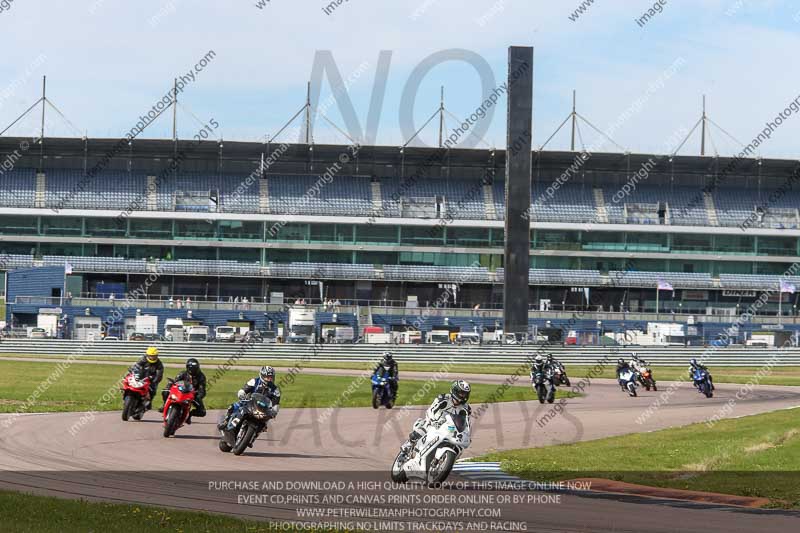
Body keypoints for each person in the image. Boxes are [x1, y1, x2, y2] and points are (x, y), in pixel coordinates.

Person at [401, 380, 471, 455]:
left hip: (450, 429)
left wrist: (466, 435)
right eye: (462, 393)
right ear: (455, 391)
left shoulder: (466, 409)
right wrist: (433, 421)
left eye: (465, 394)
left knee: (459, 446)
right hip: (434, 423)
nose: (464, 396)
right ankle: (409, 444)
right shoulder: (443, 399)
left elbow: (466, 424)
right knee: (423, 428)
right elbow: (431, 410)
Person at [160, 358, 206, 423]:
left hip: (192, 394)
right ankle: (164, 405)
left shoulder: (201, 376)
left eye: (195, 368)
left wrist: (198, 395)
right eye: (191, 368)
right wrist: (170, 384)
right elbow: (175, 382)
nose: (193, 370)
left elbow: (202, 389)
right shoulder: (182, 373)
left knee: (202, 412)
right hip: (180, 391)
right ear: (187, 368)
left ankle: (189, 414)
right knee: (165, 391)